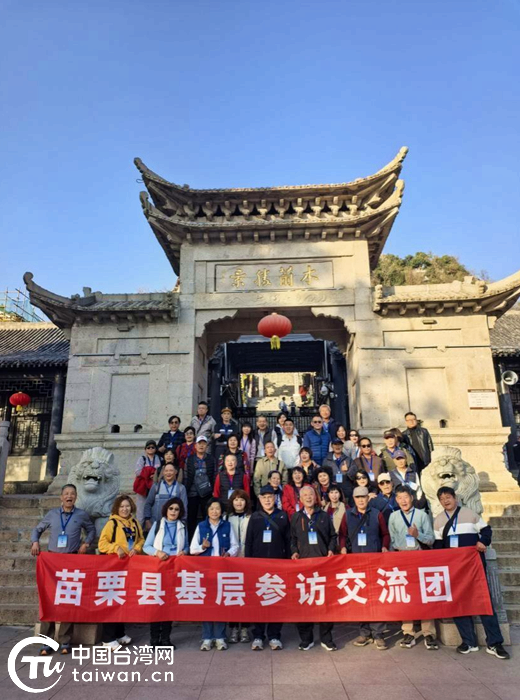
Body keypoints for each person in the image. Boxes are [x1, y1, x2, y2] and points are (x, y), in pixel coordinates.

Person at [433, 487, 510, 660]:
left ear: (455, 498)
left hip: (474, 567)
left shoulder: (469, 514)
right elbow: (438, 545)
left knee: (484, 602)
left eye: (448, 497)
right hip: (454, 569)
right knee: (458, 603)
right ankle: (469, 641)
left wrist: (483, 541)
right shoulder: (438, 520)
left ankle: (495, 642)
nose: (446, 501)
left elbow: (486, 530)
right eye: (442, 499)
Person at [31, 484, 95, 655]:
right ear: (61, 497)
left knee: (68, 601)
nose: (69, 496)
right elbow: (37, 529)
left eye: (72, 494)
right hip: (52, 563)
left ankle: (65, 640)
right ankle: (46, 641)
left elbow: (91, 530)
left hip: (72, 561)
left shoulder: (81, 515)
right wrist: (35, 542)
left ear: (76, 497)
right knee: (50, 600)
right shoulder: (52, 514)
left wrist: (86, 543)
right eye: (66, 493)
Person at [388, 485, 438, 650]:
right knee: (406, 595)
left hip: (420, 558)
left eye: (406, 497)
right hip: (402, 559)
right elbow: (392, 540)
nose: (403, 501)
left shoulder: (422, 515)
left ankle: (428, 633)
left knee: (424, 595)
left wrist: (418, 535)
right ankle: (408, 632)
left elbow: (431, 539)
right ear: (396, 500)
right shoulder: (394, 516)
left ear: (411, 497)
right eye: (399, 498)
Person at [291, 485, 337, 651]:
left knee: (325, 603)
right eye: (305, 495)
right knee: (304, 603)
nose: (308, 497)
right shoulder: (296, 517)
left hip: (323, 565)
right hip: (303, 567)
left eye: (311, 494)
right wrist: (294, 551)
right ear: (300, 499)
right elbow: (292, 538)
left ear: (315, 497)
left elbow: (333, 536)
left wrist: (331, 549)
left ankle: (326, 638)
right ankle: (306, 639)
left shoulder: (324, 515)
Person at [245, 484, 291, 650]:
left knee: (276, 600)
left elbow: (288, 540)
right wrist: (249, 563)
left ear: (275, 498)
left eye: (270, 497)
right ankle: (258, 635)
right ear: (259, 499)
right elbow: (249, 541)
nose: (267, 500)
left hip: (278, 565)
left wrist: (288, 562)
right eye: (264, 497)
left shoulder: (282, 516)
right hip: (258, 566)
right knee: (259, 601)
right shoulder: (255, 517)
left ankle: (274, 636)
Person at [190, 498, 239, 651]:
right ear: (207, 510)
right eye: (211, 508)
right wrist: (202, 547)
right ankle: (207, 637)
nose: (214, 511)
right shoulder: (201, 526)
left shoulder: (227, 526)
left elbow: (235, 545)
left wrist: (229, 554)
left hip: (223, 570)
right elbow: (192, 549)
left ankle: (220, 637)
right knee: (207, 604)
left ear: (221, 511)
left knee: (220, 603)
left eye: (217, 508)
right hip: (206, 570)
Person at [98, 495, 144, 650]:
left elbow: (141, 539)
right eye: (122, 506)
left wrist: (136, 548)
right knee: (111, 601)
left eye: (127, 506)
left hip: (128, 568)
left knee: (122, 600)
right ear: (117, 508)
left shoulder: (134, 523)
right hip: (113, 568)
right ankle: (108, 638)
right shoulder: (112, 523)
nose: (125, 509)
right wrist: (115, 548)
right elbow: (102, 543)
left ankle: (119, 633)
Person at [347, 486, 389, 650]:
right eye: (358, 497)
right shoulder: (348, 515)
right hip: (356, 563)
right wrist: (343, 547)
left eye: (363, 497)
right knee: (360, 597)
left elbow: (385, 534)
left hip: (374, 562)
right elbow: (342, 534)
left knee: (376, 597)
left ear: (368, 498)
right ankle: (364, 633)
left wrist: (384, 546)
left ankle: (378, 634)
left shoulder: (377, 514)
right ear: (354, 499)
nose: (361, 500)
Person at [143, 497, 188, 648]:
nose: (173, 512)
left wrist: (184, 552)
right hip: (158, 569)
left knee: (169, 604)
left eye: (177, 509)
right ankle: (154, 638)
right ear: (166, 510)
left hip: (174, 569)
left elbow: (187, 546)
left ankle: (166, 639)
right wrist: (157, 552)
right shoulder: (157, 525)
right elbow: (146, 546)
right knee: (156, 603)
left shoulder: (183, 526)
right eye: (171, 508)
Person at [227, 490, 252, 644]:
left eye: (241, 499)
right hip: (231, 561)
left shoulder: (252, 517)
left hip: (247, 560)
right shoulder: (227, 518)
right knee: (232, 594)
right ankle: (234, 627)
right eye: (236, 500)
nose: (239, 502)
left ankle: (245, 628)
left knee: (246, 595)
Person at [185, 436, 216, 539]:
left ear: (207, 446)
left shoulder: (211, 459)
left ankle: (207, 539)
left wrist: (213, 490)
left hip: (207, 493)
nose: (201, 446)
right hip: (192, 493)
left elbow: (214, 474)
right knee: (191, 519)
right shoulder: (190, 459)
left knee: (207, 517)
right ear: (195, 445)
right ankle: (191, 541)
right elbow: (186, 475)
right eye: (199, 443)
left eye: (204, 443)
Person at [144, 462, 188, 528]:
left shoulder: (181, 488)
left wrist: (182, 522)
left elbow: (184, 507)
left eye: (171, 470)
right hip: (156, 525)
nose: (168, 473)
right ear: (163, 472)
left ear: (175, 472)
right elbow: (148, 504)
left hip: (174, 525)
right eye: (166, 471)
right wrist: (147, 520)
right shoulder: (156, 487)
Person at [133, 440, 162, 521]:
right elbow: (138, 472)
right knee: (141, 511)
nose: (150, 449)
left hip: (155, 486)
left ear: (156, 449)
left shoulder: (160, 459)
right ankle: (140, 527)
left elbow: (162, 471)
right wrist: (149, 473)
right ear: (145, 449)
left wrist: (155, 475)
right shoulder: (142, 459)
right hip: (143, 487)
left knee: (154, 509)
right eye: (148, 447)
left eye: (152, 447)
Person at [324, 484, 347, 553]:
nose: (334, 495)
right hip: (329, 542)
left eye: (336, 492)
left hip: (341, 541)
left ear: (340, 494)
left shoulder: (345, 507)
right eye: (331, 492)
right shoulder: (325, 509)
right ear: (328, 494)